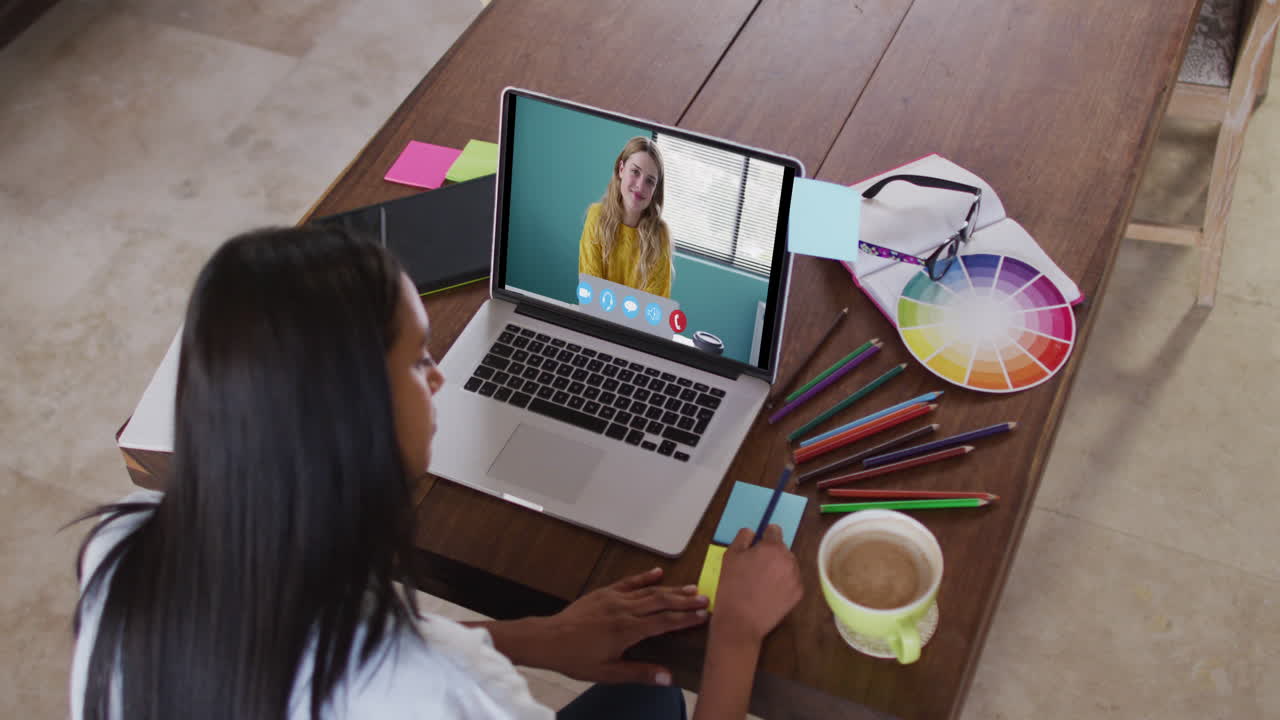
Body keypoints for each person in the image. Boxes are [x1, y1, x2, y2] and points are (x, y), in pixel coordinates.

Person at [71, 226, 802, 720]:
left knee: (645, 699)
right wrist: (735, 633)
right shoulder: (443, 694)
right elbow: (412, 675)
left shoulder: (123, 552)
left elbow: (320, 646)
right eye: (420, 360)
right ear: (359, 421)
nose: (441, 379)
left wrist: (534, 638)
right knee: (661, 697)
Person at [578, 136, 674, 298]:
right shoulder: (596, 217)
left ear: (655, 190)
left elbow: (652, 307)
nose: (640, 186)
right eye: (635, 172)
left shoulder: (660, 236)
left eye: (650, 181)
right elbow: (591, 291)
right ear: (621, 169)